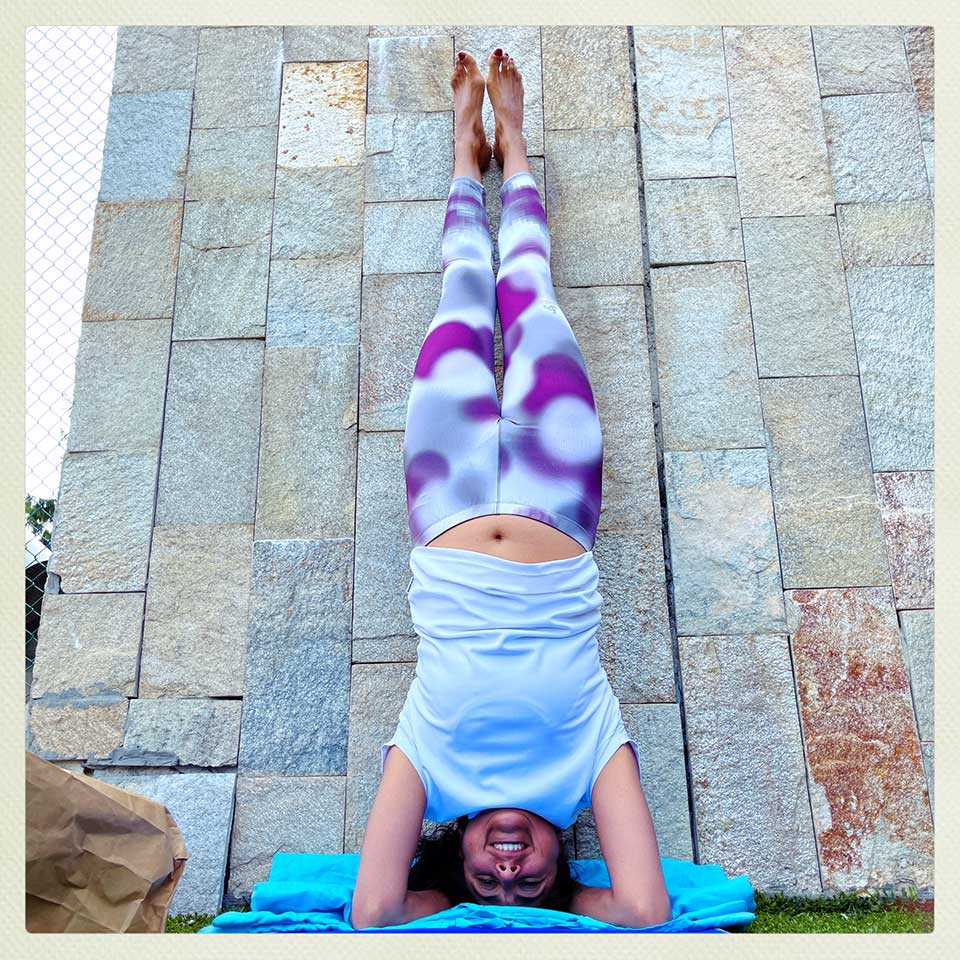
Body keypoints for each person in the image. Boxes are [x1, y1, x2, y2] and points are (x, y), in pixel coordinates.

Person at [350, 47, 671, 931]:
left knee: (463, 296)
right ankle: (515, 144)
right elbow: (643, 908)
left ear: (456, 859)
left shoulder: (430, 764)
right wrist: (558, 908)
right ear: (561, 864)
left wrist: (462, 907)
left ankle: (468, 153)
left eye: (487, 884)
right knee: (530, 295)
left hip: (445, 495)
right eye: (527, 885)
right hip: (559, 496)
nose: (507, 874)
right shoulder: (587, 763)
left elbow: (374, 912)